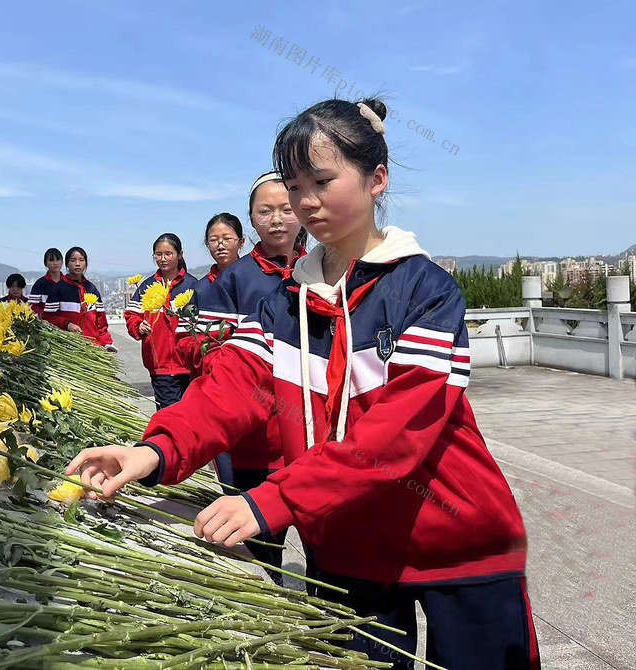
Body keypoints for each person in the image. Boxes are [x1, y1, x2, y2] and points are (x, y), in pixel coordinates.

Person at [67, 98, 539, 669]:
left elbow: (397, 435)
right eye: (294, 186)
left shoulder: (425, 291)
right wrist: (153, 451)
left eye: (322, 181)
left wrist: (277, 499)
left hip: (457, 545)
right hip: (344, 552)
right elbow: (229, 388)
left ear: (376, 179)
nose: (305, 201)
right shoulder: (283, 305)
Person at [189, 174, 310, 582]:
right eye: (265, 211)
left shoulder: (324, 268)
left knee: (327, 551)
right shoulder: (234, 278)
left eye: (286, 209)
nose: (277, 219)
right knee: (261, 551)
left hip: (315, 441)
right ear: (252, 220)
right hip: (257, 442)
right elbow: (209, 355)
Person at [124, 234, 197, 410]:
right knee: (169, 414)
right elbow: (131, 316)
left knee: (191, 413)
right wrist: (139, 326)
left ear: (180, 254)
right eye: (158, 254)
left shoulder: (193, 285)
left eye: (168, 254)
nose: (163, 259)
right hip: (160, 366)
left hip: (189, 364)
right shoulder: (147, 287)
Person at [173, 213, 246, 378]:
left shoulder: (253, 281)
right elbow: (183, 338)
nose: (220, 245)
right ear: (207, 244)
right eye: (214, 240)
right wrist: (208, 357)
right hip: (209, 373)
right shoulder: (200, 289)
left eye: (227, 239)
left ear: (241, 242)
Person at [46, 247, 117, 352]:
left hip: (93, 347)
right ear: (67, 264)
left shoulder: (91, 289)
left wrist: (107, 343)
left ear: (86, 264)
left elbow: (101, 322)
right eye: (73, 260)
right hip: (68, 348)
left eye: (81, 260)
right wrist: (67, 324)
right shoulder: (59, 289)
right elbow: (48, 317)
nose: (77, 264)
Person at [28, 248, 63, 318]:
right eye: (51, 260)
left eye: (58, 260)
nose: (55, 263)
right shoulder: (40, 284)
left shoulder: (68, 283)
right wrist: (43, 315)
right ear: (45, 263)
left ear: (62, 262)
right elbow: (32, 306)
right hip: (46, 322)